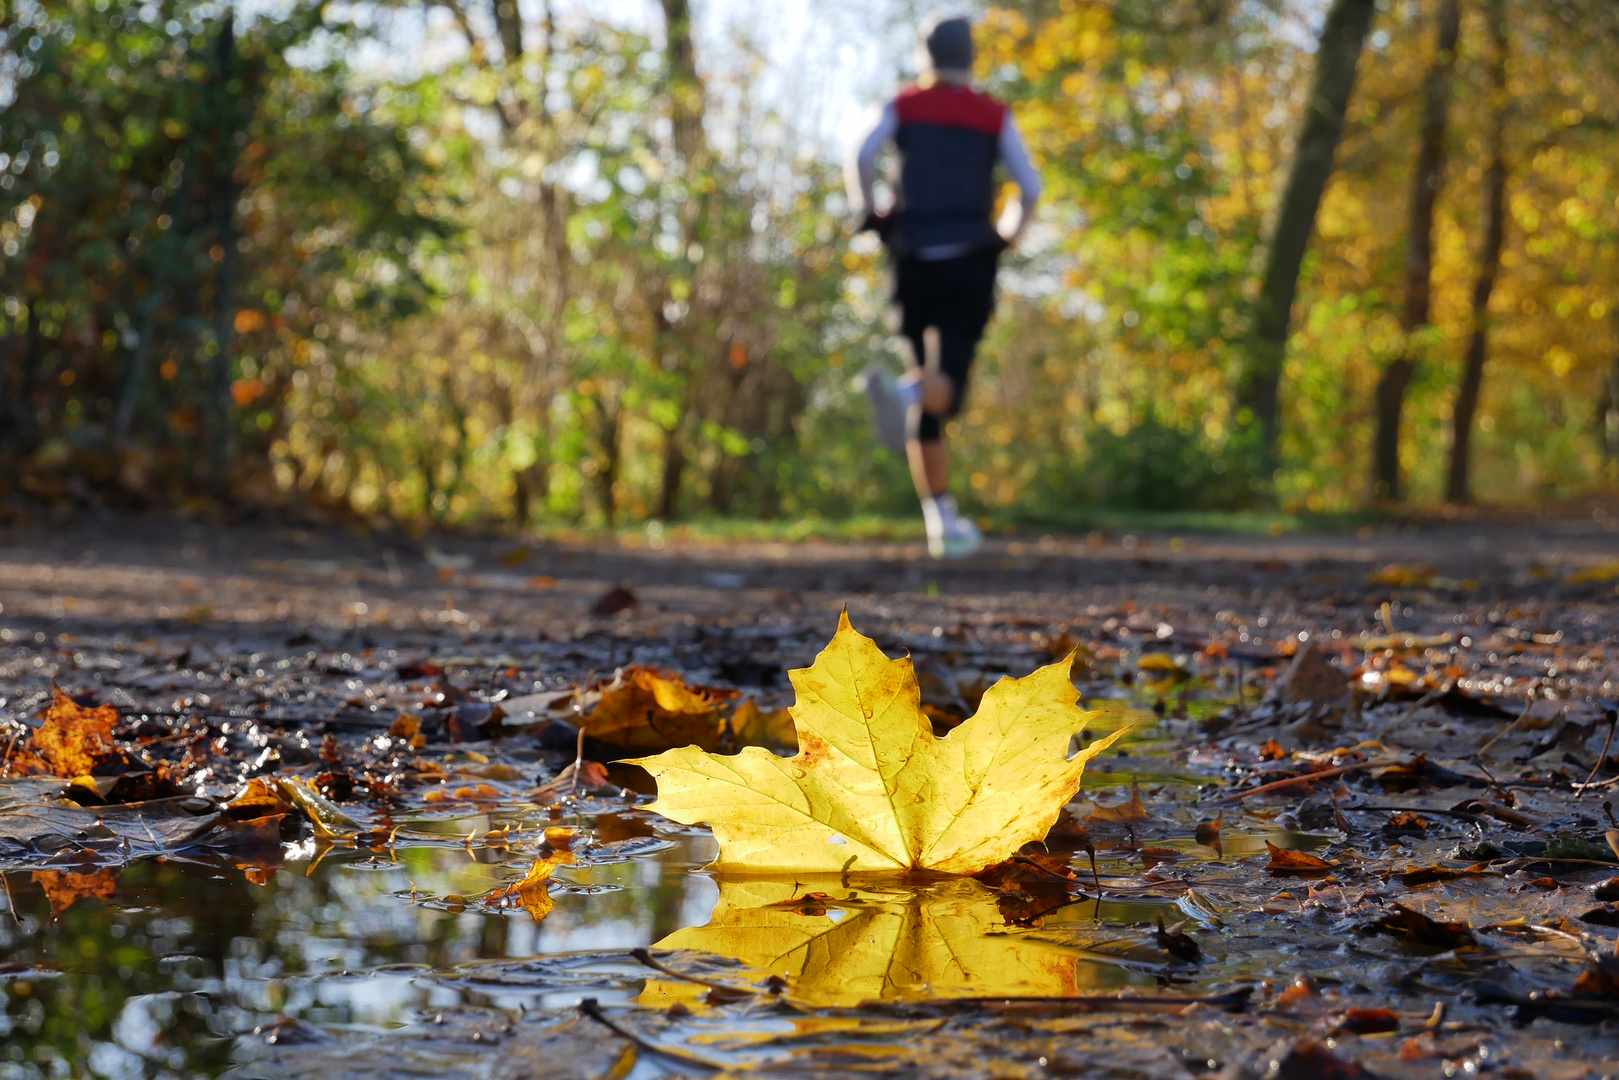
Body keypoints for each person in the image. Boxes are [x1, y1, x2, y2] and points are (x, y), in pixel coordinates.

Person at [846, 12, 1042, 558]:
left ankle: (943, 524)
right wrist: (1008, 235)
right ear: (971, 57)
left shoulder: (904, 104)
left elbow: (862, 154)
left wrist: (870, 214)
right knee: (942, 387)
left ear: (925, 56)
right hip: (969, 260)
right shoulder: (992, 114)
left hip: (910, 257)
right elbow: (1030, 185)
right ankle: (904, 392)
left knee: (928, 392)